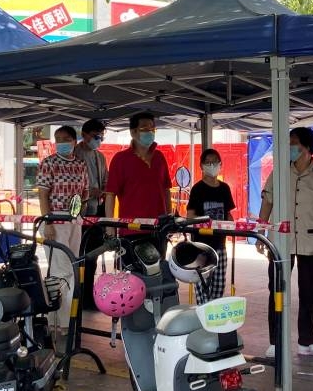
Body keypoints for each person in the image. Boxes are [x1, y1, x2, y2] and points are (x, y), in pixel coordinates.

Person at [257, 127, 313, 358]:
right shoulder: (278, 173)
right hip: (280, 241)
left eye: (294, 144)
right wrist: (260, 233)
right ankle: (276, 341)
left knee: (309, 292)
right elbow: (267, 203)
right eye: (289, 143)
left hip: (311, 242)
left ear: (308, 149)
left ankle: (307, 342)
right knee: (276, 290)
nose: (290, 148)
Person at [38, 126, 89, 330]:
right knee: (60, 270)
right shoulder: (49, 163)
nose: (62, 142)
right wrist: (48, 221)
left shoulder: (80, 164)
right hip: (54, 220)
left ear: (74, 141)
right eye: (58, 139)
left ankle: (66, 319)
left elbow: (84, 193)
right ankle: (58, 321)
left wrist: (80, 212)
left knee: (71, 269)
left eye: (66, 139)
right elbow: (42, 194)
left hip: (74, 220)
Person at [104, 111, 171, 254]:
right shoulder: (120, 159)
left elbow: (166, 190)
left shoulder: (160, 157)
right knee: (134, 275)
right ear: (133, 132)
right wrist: (109, 227)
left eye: (153, 129)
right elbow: (110, 194)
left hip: (158, 229)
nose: (150, 133)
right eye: (145, 129)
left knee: (159, 272)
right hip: (131, 230)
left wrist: (168, 220)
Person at [186, 148, 236, 304]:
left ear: (220, 164)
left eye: (215, 162)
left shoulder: (224, 188)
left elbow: (228, 215)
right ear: (201, 166)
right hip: (201, 248)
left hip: (220, 246)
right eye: (208, 162)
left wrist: (234, 226)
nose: (212, 165)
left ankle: (212, 322)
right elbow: (190, 216)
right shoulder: (197, 189)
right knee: (202, 287)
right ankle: (203, 321)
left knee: (218, 287)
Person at [74, 119, 108, 310]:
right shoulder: (75, 154)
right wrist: (88, 191)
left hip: (97, 213)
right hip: (79, 214)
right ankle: (77, 297)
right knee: (79, 257)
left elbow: (107, 181)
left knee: (92, 256)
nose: (99, 139)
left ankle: (88, 296)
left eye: (101, 136)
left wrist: (104, 191)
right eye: (96, 135)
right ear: (85, 135)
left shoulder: (100, 156)